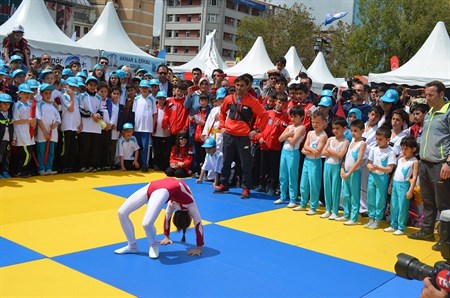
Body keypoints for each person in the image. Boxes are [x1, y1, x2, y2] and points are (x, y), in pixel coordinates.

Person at [114, 177, 204, 259]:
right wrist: (199, 248)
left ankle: (153, 245)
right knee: (122, 213)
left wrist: (167, 236)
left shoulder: (172, 203)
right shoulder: (190, 203)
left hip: (160, 187)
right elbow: (198, 223)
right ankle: (132, 246)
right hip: (153, 186)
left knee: (147, 223)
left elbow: (167, 217)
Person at [408, 81, 450, 252]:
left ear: (441, 94)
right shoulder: (430, 112)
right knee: (427, 200)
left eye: (430, 95)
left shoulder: (447, 112)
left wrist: (448, 162)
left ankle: (446, 239)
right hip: (425, 163)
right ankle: (427, 231)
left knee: (443, 203)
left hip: (441, 164)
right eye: (426, 95)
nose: (427, 98)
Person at [214, 75, 269, 199]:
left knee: (246, 163)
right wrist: (222, 126)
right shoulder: (229, 99)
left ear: (247, 86)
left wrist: (257, 130)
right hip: (229, 134)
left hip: (244, 136)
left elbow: (265, 116)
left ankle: (245, 188)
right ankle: (224, 184)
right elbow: (222, 113)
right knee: (226, 160)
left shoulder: (253, 101)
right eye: (237, 85)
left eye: (242, 85)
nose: (239, 88)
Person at [295, 110, 328, 214]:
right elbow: (304, 145)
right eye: (313, 122)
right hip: (307, 161)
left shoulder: (323, 136)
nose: (315, 125)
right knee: (303, 183)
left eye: (317, 122)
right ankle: (303, 203)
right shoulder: (310, 133)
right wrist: (310, 150)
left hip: (315, 162)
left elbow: (318, 152)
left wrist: (307, 151)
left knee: (314, 184)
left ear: (323, 123)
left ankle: (313, 206)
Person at [385, 136, 419, 235]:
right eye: (402, 148)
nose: (404, 151)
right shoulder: (400, 160)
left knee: (403, 206)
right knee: (394, 205)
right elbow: (395, 172)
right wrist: (391, 184)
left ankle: (401, 227)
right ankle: (393, 224)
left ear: (413, 149)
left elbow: (415, 176)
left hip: (404, 185)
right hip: (395, 183)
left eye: (406, 148)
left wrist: (410, 190)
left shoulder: (414, 161)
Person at [365, 125, 397, 229]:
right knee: (371, 197)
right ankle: (371, 217)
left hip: (382, 178)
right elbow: (369, 163)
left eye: (381, 139)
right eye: (377, 139)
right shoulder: (374, 149)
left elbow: (390, 168)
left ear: (388, 140)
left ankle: (378, 219)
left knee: (380, 199)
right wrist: (371, 167)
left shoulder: (390, 152)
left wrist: (379, 168)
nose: (378, 141)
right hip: (372, 176)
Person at [274, 105, 306, 207]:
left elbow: (293, 142)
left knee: (292, 176)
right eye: (291, 116)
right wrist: (288, 134)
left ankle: (293, 198)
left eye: (295, 116)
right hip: (284, 151)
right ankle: (282, 196)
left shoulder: (302, 128)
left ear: (301, 117)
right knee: (282, 175)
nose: (292, 119)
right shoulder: (289, 127)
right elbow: (280, 139)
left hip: (293, 152)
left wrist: (287, 135)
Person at [338, 119, 367, 224]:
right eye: (352, 131)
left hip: (354, 173)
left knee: (354, 195)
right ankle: (346, 214)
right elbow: (346, 157)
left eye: (356, 131)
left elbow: (359, 160)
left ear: (362, 131)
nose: (353, 133)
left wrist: (349, 172)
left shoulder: (362, 143)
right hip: (346, 172)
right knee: (346, 194)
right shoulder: (351, 142)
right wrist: (342, 168)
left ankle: (354, 217)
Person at [321, 117, 349, 219]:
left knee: (335, 189)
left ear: (344, 128)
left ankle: (335, 211)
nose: (335, 131)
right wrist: (334, 153)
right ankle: (328, 209)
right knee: (327, 188)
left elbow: (341, 155)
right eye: (333, 128)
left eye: (338, 128)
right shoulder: (330, 139)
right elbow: (323, 152)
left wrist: (330, 150)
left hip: (336, 166)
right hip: (327, 165)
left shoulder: (345, 141)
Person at [35, 84, 60, 175]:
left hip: (53, 132)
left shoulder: (53, 106)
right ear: (41, 94)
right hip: (43, 132)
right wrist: (45, 132)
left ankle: (49, 168)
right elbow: (39, 119)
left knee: (51, 151)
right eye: (46, 93)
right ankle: (41, 168)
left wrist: (55, 124)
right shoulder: (39, 105)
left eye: (50, 93)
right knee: (41, 151)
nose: (48, 95)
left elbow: (58, 118)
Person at [133, 79, 157, 172]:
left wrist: (153, 126)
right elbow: (134, 112)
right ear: (139, 88)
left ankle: (145, 164)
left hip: (147, 128)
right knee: (137, 147)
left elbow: (155, 114)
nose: (144, 89)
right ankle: (137, 163)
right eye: (143, 88)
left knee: (145, 148)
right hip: (137, 127)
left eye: (146, 88)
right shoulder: (136, 99)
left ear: (149, 89)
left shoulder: (152, 99)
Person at [60, 77, 81, 173]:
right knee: (66, 148)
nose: (72, 89)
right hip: (67, 125)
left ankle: (71, 166)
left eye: (74, 87)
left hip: (75, 126)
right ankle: (64, 166)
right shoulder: (63, 96)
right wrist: (71, 96)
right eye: (70, 86)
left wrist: (80, 124)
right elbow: (70, 109)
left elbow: (78, 111)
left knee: (73, 148)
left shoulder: (77, 97)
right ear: (66, 86)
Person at [0, 93, 14, 178]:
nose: (6, 106)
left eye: (8, 104)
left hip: (8, 139)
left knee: (7, 156)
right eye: (4, 103)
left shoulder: (10, 114)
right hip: (0, 140)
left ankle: (5, 171)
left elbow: (12, 127)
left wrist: (13, 138)